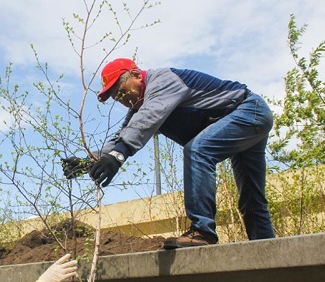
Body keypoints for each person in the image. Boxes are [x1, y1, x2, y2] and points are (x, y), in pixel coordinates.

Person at [62, 58, 275, 248]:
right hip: (246, 120)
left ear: (136, 75)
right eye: (116, 97)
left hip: (249, 111)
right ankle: (267, 254)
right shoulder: (140, 106)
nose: (121, 99)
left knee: (198, 150)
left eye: (121, 91)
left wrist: (118, 156)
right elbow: (123, 136)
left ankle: (202, 231)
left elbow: (147, 118)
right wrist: (89, 161)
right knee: (252, 198)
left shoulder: (163, 81)